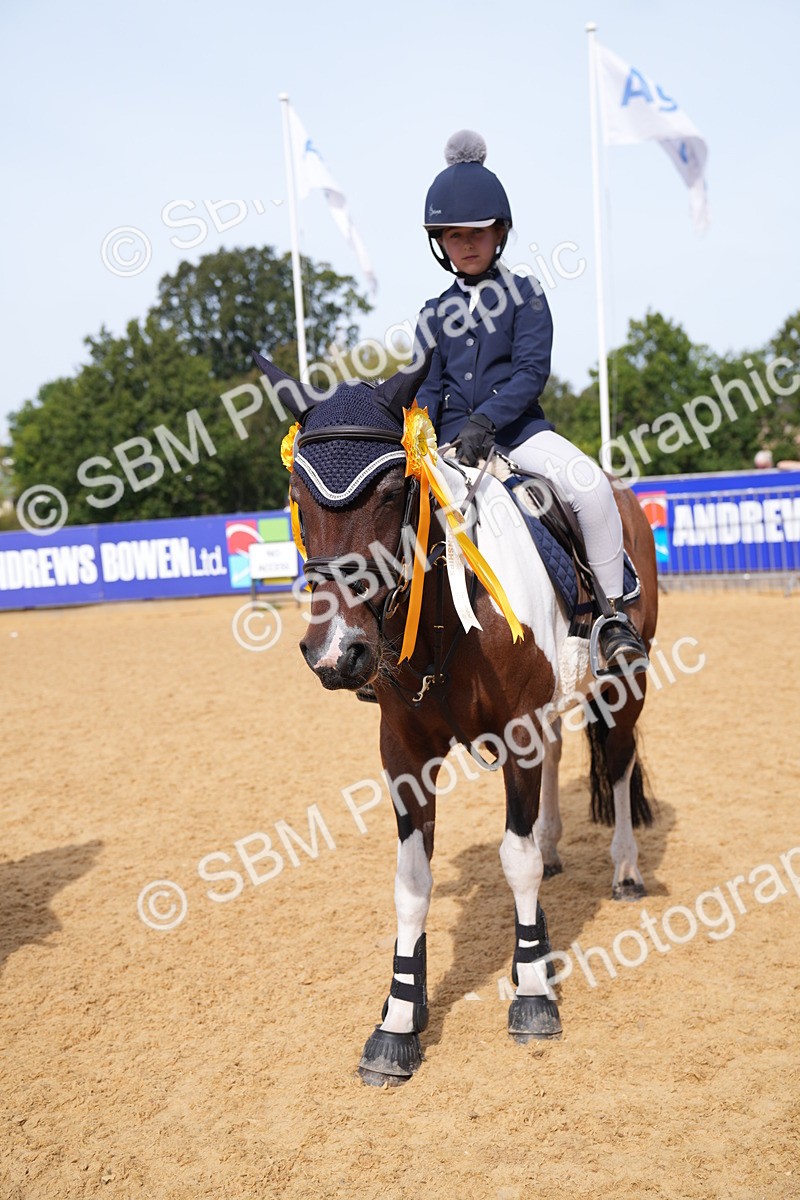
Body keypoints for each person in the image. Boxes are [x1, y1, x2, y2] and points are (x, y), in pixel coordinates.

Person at [414, 130, 649, 674]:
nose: (466, 243)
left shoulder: (526, 295)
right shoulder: (431, 312)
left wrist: (485, 420)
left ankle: (611, 615)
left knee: (590, 486)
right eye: (453, 235)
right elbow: (426, 385)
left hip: (520, 433)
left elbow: (529, 373)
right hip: (448, 445)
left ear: (499, 233)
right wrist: (423, 432)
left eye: (477, 232)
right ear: (440, 242)